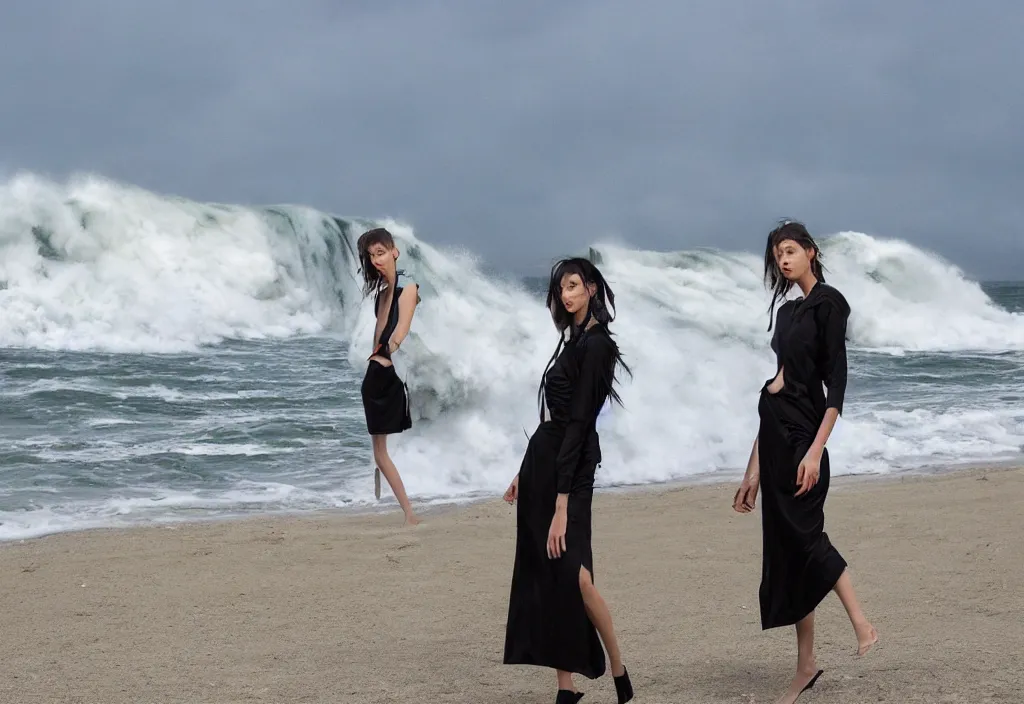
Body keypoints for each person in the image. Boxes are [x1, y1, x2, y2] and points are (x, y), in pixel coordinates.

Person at [733, 220, 878, 704]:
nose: (784, 260)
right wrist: (751, 472)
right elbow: (776, 385)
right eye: (778, 254)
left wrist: (816, 450)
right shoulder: (787, 311)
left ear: (811, 252)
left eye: (791, 250)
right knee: (790, 555)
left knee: (807, 539)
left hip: (803, 441)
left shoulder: (828, 304)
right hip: (774, 438)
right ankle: (805, 666)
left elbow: (836, 385)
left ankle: (862, 622)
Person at [503, 257, 635, 704]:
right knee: (548, 576)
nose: (566, 294)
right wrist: (524, 471)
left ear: (593, 289)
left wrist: (562, 504)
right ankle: (566, 687)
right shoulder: (571, 339)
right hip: (544, 462)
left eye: (574, 286)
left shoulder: (598, 346)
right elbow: (552, 418)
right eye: (562, 288)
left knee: (576, 576)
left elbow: (580, 423)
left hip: (571, 470)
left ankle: (618, 669)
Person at [356, 227, 421, 526]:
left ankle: (408, 514)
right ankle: (407, 512)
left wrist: (384, 353)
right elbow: (379, 329)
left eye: (380, 253)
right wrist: (374, 357)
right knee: (379, 452)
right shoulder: (383, 291)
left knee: (380, 453)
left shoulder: (408, 288)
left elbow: (401, 330)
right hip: (375, 374)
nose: (376, 261)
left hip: (385, 373)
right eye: (371, 256)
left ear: (395, 251)